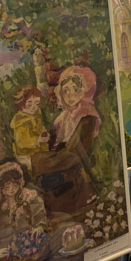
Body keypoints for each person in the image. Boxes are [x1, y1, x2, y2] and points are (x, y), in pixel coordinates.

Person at [31, 65, 100, 217]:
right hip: (58, 170)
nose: (70, 95)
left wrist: (39, 160)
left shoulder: (87, 118)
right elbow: (52, 145)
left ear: (85, 91)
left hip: (73, 174)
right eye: (66, 91)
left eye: (75, 89)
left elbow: (74, 153)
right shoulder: (62, 119)